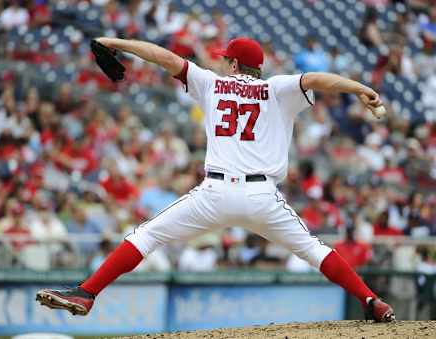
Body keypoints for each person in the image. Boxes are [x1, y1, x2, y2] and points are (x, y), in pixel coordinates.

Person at [36, 36, 395, 322]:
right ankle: (371, 300)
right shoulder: (277, 88)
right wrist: (358, 87)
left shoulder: (211, 83)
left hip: (215, 192)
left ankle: (87, 292)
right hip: (262, 196)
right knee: (314, 250)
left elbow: (163, 57)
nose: (223, 62)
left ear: (234, 63)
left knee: (147, 236)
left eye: (227, 58)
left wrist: (118, 43)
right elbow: (316, 79)